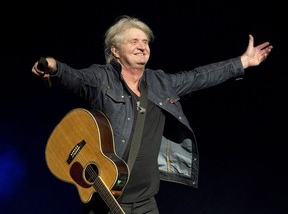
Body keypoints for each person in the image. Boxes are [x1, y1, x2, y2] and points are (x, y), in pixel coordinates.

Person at [31, 15, 273, 214]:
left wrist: (242, 62)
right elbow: (74, 77)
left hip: (146, 202)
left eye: (145, 42)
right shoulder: (101, 79)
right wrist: (53, 66)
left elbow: (199, 77)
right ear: (115, 50)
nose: (142, 46)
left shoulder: (160, 83)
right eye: (134, 41)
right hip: (105, 199)